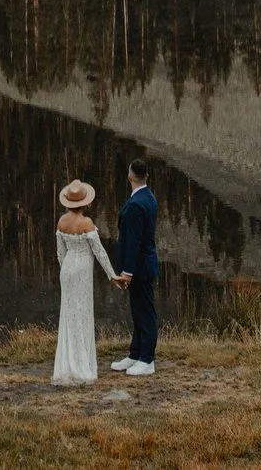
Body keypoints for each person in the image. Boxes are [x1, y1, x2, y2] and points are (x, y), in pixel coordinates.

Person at [50, 179, 118, 385]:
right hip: (82, 270)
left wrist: (65, 272)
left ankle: (67, 364)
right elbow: (99, 252)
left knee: (69, 314)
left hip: (68, 268)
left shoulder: (62, 222)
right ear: (85, 203)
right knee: (82, 313)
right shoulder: (86, 223)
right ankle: (82, 365)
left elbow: (60, 253)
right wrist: (111, 275)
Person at [110, 158, 161, 374]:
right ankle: (135, 354)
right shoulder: (148, 198)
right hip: (144, 264)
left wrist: (127, 272)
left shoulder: (136, 204)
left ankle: (147, 360)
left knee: (145, 312)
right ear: (145, 176)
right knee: (138, 311)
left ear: (130, 177)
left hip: (139, 267)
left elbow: (133, 241)